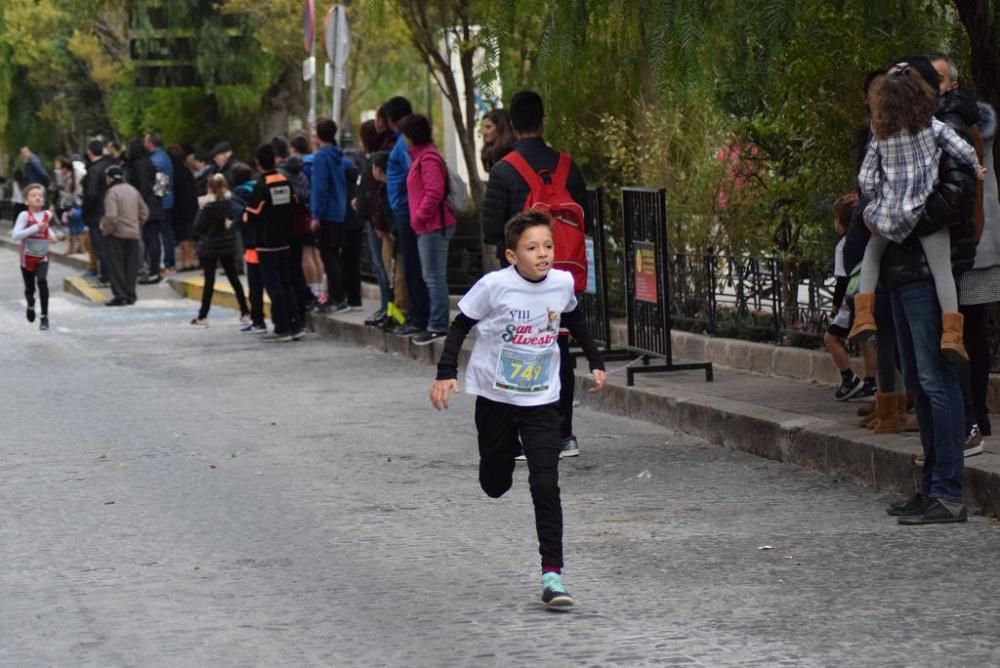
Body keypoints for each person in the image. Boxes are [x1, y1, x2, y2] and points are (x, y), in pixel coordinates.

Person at [430, 210, 606, 609]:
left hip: (543, 400)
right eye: (532, 248)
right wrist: (445, 372)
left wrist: (596, 360)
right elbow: (460, 326)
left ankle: (553, 576)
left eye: (548, 246)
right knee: (496, 484)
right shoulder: (494, 286)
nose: (542, 254)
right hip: (496, 400)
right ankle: (499, 457)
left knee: (545, 484)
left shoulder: (561, 283)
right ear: (512, 255)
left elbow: (574, 319)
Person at [875, 57, 977, 525]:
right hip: (902, 267)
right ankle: (933, 484)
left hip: (921, 268)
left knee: (937, 380)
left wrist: (906, 218)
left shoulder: (944, 125)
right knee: (920, 382)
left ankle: (947, 491)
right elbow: (872, 188)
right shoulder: (892, 133)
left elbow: (958, 195)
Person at [849, 63, 986, 367]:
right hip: (923, 210)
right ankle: (952, 334)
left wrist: (873, 201)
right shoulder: (933, 126)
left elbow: (867, 179)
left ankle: (863, 315)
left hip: (888, 213)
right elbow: (961, 148)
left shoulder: (879, 134)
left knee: (872, 255)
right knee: (942, 273)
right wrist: (976, 167)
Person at [480, 90, 589, 458]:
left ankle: (531, 437)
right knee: (558, 347)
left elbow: (491, 230)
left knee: (519, 351)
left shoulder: (505, 169)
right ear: (543, 121)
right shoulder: (567, 166)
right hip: (562, 276)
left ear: (511, 125)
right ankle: (563, 435)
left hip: (520, 282)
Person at [399, 113, 457, 345]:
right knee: (430, 276)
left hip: (434, 225)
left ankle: (438, 324)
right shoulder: (420, 157)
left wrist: (420, 216)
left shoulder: (428, 158)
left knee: (434, 277)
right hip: (427, 226)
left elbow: (434, 190)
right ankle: (435, 323)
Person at [244, 144, 302, 342]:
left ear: (259, 164)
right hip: (285, 240)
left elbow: (251, 216)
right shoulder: (285, 182)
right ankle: (296, 324)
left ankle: (282, 327)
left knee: (273, 284)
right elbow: (295, 206)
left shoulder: (261, 187)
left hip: (266, 242)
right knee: (286, 282)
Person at [825, 193, 878, 402]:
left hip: (850, 302)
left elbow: (842, 279)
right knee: (867, 341)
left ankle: (849, 379)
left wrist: (836, 305)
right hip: (867, 296)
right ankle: (870, 382)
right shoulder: (864, 240)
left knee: (830, 338)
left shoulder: (843, 246)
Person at [385, 96, 430, 336]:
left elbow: (412, 173)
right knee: (412, 265)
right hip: (406, 209)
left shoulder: (404, 146)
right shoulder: (404, 144)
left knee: (414, 266)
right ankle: (418, 315)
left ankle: (419, 317)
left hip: (406, 210)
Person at [310, 118, 360, 314]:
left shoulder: (322, 157)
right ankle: (339, 296)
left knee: (328, 255)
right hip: (339, 211)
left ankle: (337, 298)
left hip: (328, 212)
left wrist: (316, 214)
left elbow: (320, 186)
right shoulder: (338, 156)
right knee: (334, 255)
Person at [190, 174, 250, 326]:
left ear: (209, 188)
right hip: (227, 245)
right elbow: (239, 214)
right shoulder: (230, 202)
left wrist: (200, 209)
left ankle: (203, 316)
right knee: (234, 279)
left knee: (209, 281)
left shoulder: (207, 207)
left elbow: (197, 227)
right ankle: (245, 311)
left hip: (209, 246)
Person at [274, 136, 318, 321]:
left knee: (296, 263)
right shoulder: (302, 173)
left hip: (291, 223)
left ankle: (306, 294)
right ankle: (316, 291)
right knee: (311, 254)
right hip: (306, 218)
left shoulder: (281, 175)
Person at [356, 123, 394, 327]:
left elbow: (377, 194)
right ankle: (385, 306)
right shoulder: (371, 158)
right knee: (381, 266)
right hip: (372, 219)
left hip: (377, 221)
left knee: (384, 265)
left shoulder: (378, 158)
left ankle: (389, 306)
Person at [11, 184, 58, 330]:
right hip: (27, 257)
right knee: (30, 289)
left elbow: (47, 227)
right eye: (33, 195)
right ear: (26, 201)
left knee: (42, 281)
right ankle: (31, 305)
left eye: (40, 195)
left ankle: (44, 317)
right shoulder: (24, 216)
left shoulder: (47, 215)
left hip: (42, 256)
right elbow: (15, 236)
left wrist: (52, 236)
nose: (38, 197)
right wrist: (34, 228)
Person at [100, 165, 149, 307]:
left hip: (116, 234)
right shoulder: (133, 190)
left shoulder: (112, 193)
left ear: (109, 178)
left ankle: (120, 296)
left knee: (117, 266)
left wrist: (107, 230)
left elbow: (111, 216)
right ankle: (131, 294)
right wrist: (136, 224)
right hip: (133, 234)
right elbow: (144, 212)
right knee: (131, 266)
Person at [231, 162, 266, 333]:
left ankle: (258, 320)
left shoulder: (236, 196)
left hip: (251, 245)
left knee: (255, 284)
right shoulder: (261, 188)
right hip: (268, 241)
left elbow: (239, 219)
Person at [125, 139, 166, 285]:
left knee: (151, 240)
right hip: (154, 205)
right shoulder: (148, 162)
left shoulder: (138, 165)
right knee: (152, 239)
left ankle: (154, 271)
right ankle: (154, 270)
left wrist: (138, 205)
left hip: (148, 207)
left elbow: (144, 187)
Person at [81, 140, 113, 284]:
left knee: (100, 245)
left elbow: (91, 193)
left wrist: (85, 209)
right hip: (112, 209)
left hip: (97, 212)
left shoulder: (94, 170)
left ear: (90, 152)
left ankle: (106, 275)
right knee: (110, 244)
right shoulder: (110, 165)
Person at [145, 131, 176, 276]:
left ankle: (167, 264)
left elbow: (161, 186)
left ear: (151, 143)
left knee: (164, 235)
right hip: (166, 201)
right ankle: (168, 263)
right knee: (166, 233)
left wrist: (153, 200)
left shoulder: (157, 160)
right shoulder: (164, 156)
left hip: (162, 203)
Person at [169, 145, 199, 271]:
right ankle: (191, 259)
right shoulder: (187, 170)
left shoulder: (171, 172)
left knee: (182, 236)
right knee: (190, 234)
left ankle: (186, 261)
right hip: (191, 205)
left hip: (178, 207)